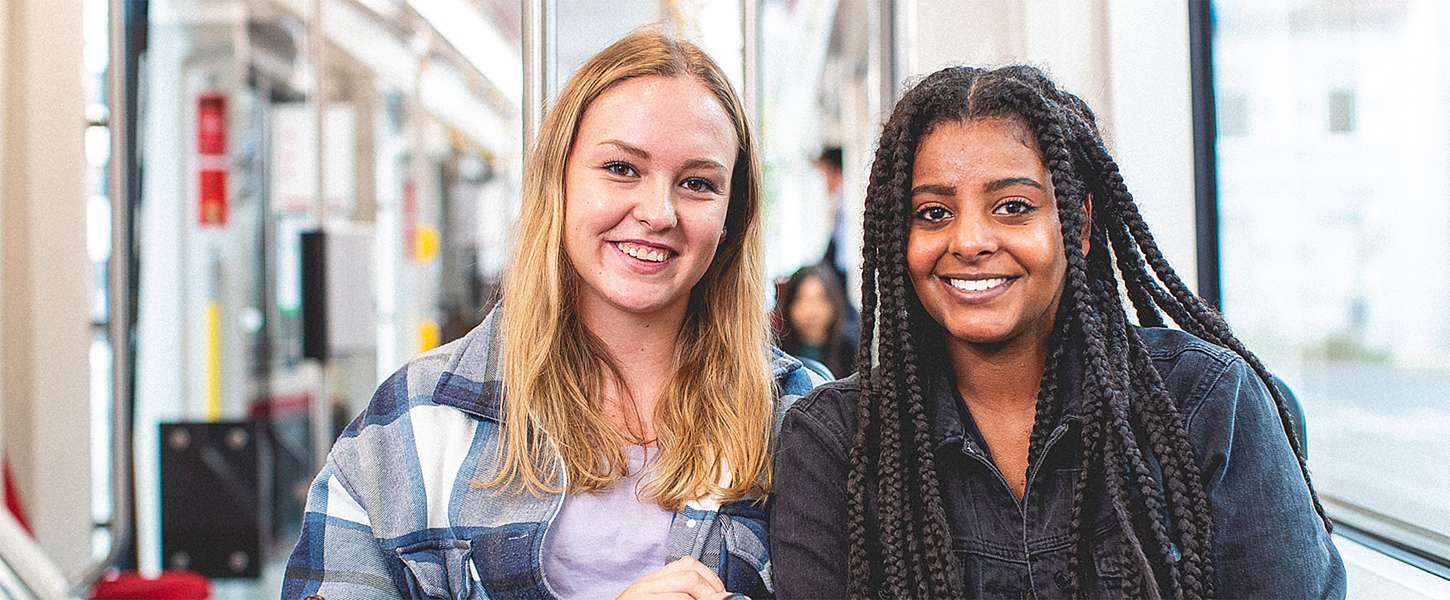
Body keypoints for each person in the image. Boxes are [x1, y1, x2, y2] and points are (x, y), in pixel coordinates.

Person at [283, 30, 827, 600]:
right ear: (558, 181)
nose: (658, 212)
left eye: (697, 183)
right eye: (622, 168)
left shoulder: (799, 420)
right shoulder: (413, 427)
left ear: (730, 216)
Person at [769, 65, 1345, 599]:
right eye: (934, 213)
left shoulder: (1209, 404)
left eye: (1013, 206)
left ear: (1080, 223)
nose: (969, 241)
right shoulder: (834, 442)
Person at [776, 264, 855, 378]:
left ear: (834, 303)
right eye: (800, 299)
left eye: (821, 299)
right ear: (789, 305)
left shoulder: (850, 350)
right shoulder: (778, 352)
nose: (810, 311)